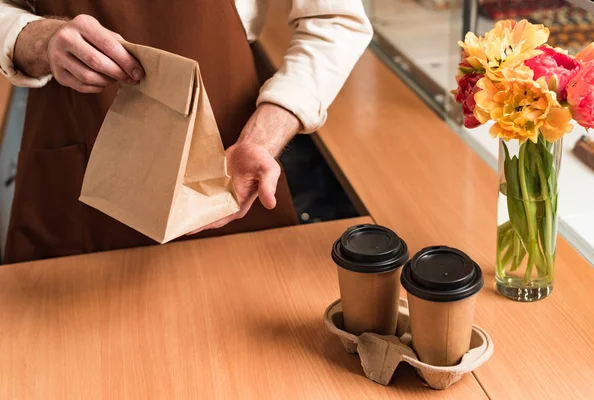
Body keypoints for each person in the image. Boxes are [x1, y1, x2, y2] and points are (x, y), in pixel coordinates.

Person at [0, 0, 373, 263]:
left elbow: (334, 20)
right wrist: (39, 38)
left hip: (224, 159)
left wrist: (260, 139)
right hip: (76, 139)